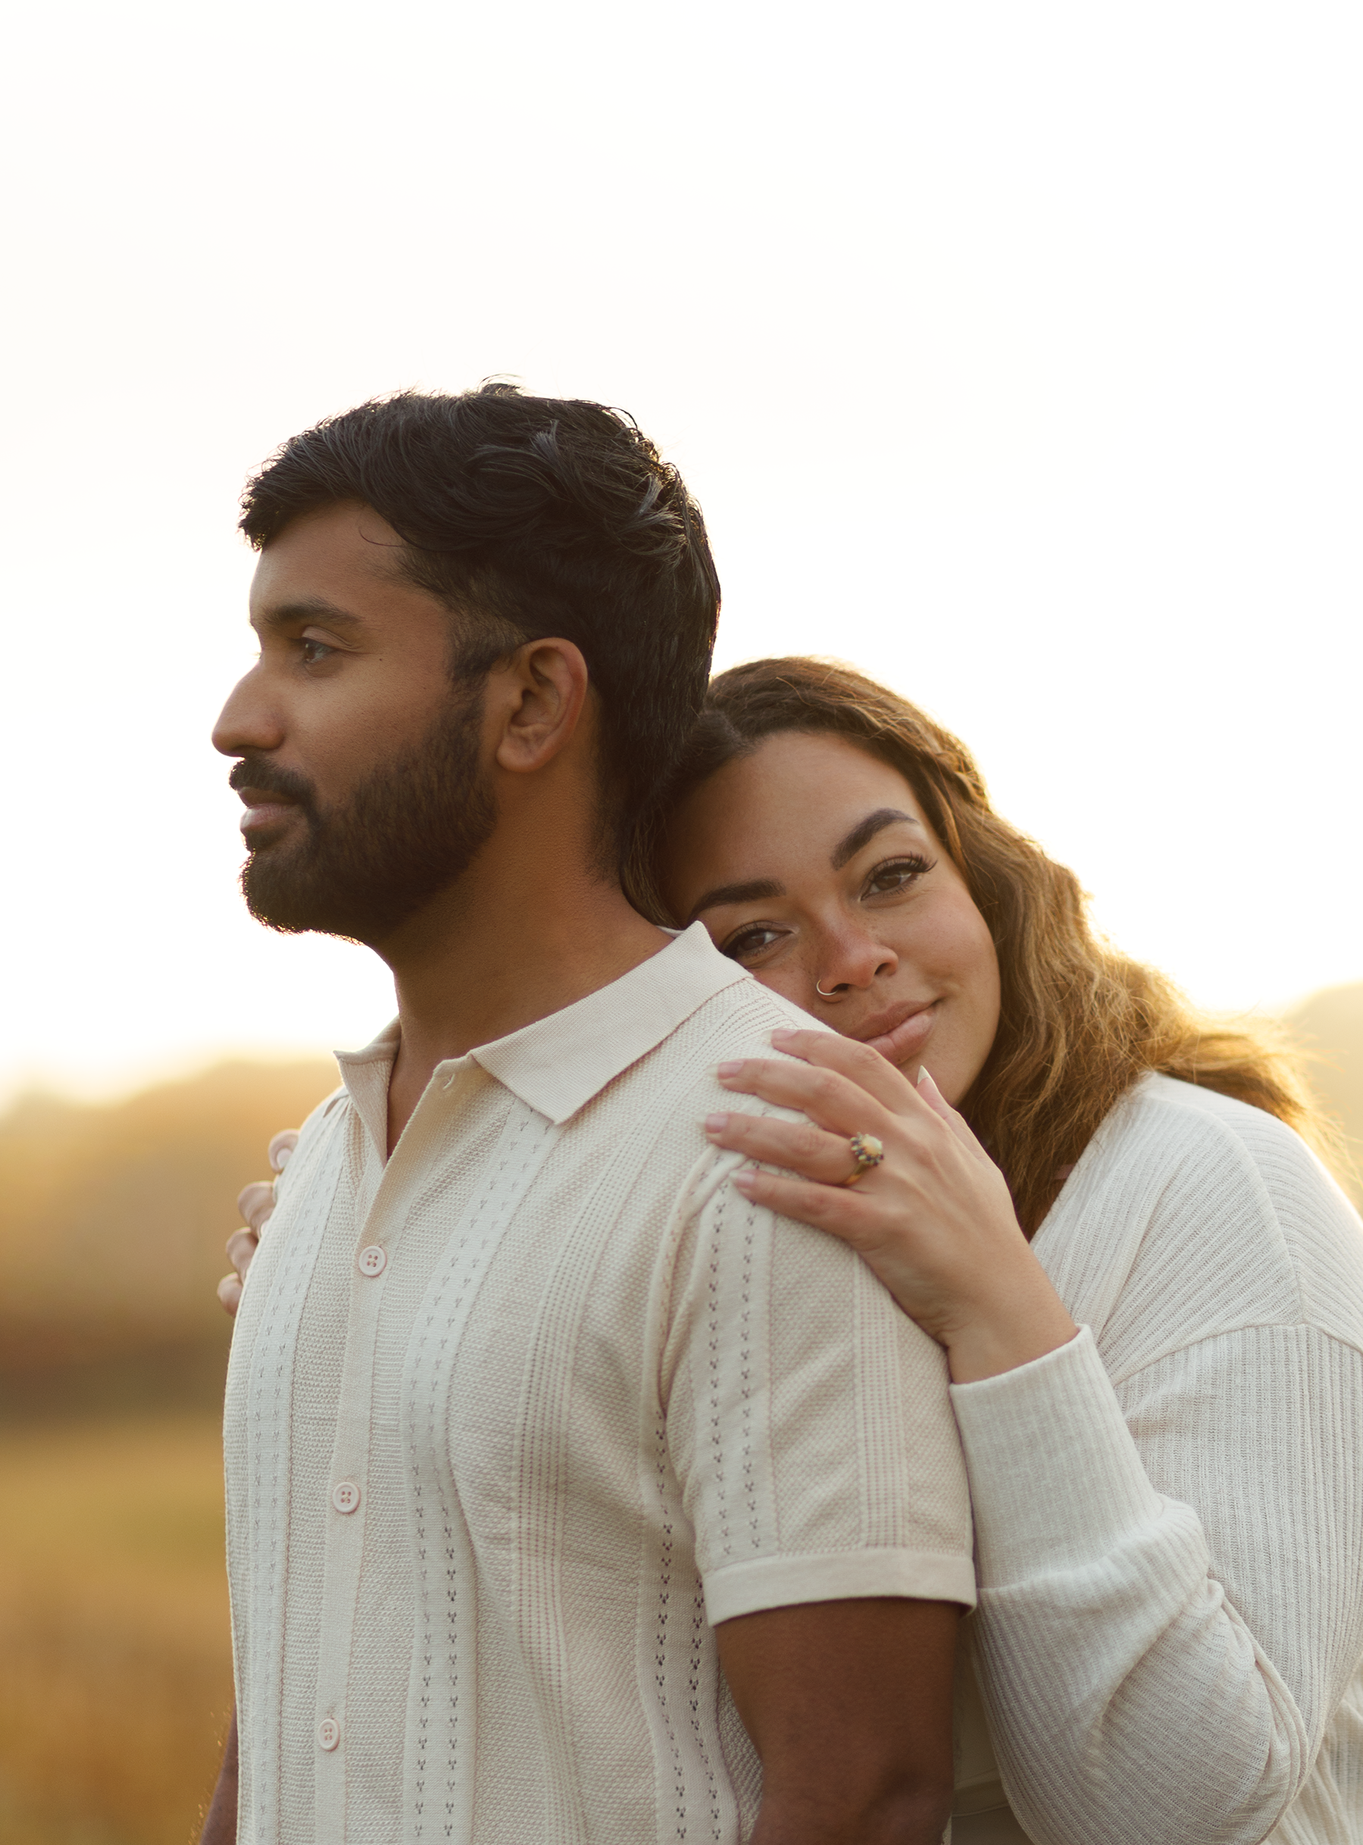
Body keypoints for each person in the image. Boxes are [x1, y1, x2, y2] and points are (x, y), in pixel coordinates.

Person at [226, 658, 1363, 1844]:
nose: (852, 957)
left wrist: (1004, 1315)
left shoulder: (1209, 1189)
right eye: (753, 938)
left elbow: (1181, 1810)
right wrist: (374, 1273)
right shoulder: (747, 1222)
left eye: (892, 875)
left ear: (984, 878)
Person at [201, 392, 975, 1845]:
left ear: (534, 705)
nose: (242, 720)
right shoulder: (321, 1170)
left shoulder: (771, 1146)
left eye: (316, 649)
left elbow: (863, 1798)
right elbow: (304, 1701)